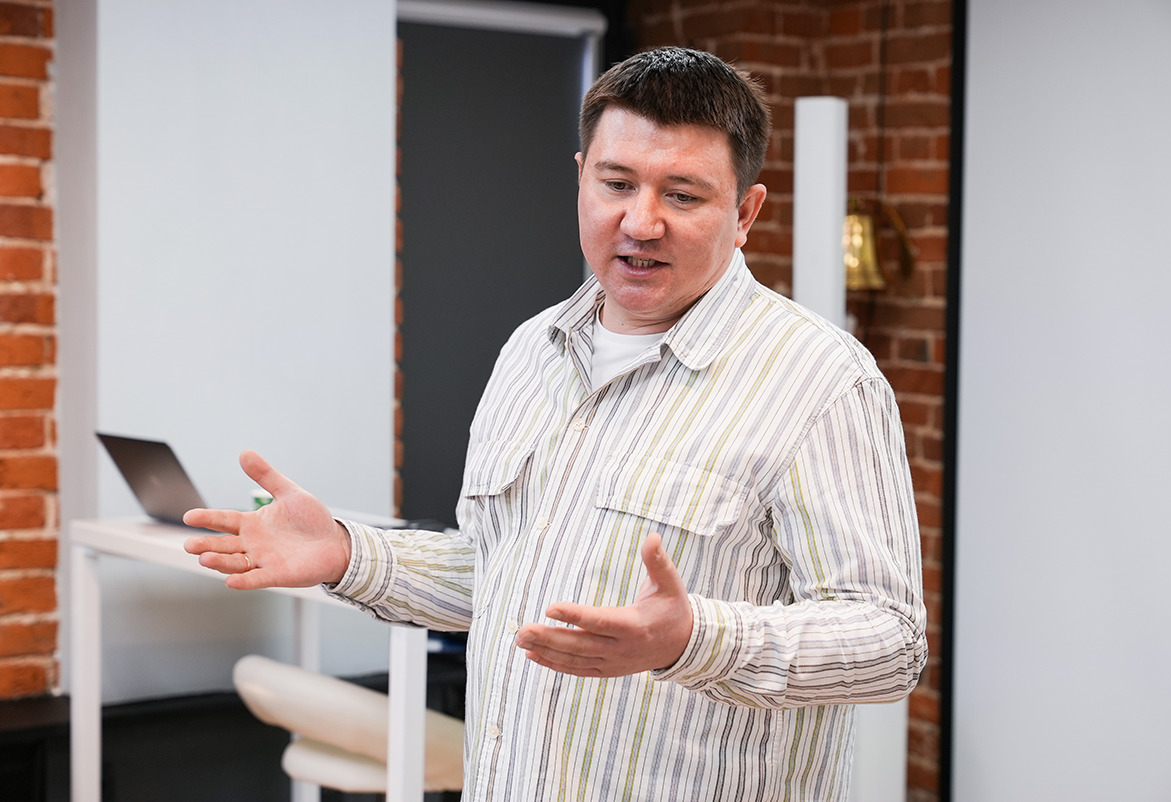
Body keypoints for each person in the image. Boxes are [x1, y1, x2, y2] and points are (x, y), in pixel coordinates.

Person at [184, 46, 927, 801]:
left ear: (744, 214)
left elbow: (890, 642)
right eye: (616, 184)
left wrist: (694, 639)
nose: (641, 221)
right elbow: (502, 577)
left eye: (682, 195)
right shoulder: (532, 351)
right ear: (581, 178)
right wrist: (348, 553)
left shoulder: (819, 379)